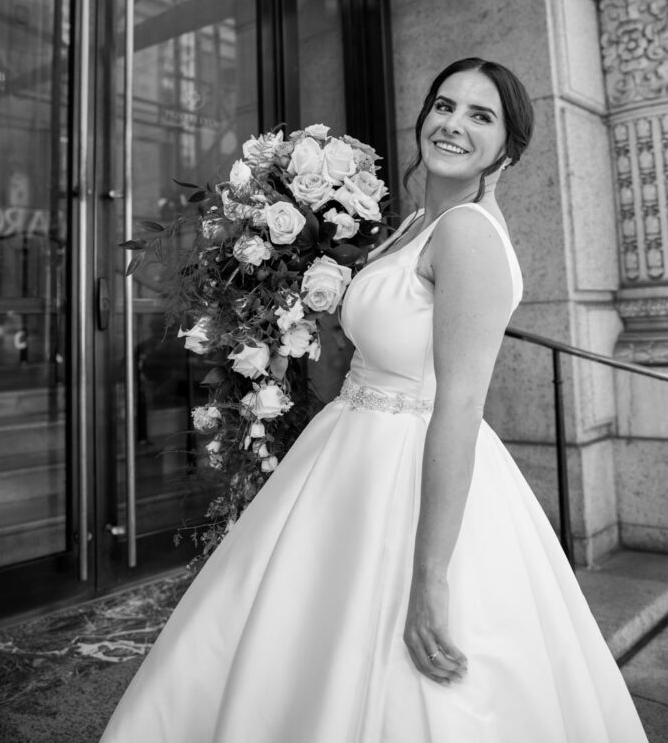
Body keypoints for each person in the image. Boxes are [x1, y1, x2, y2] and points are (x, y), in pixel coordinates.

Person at [100, 58, 648, 743]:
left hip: (406, 467)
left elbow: (458, 405)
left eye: (481, 116)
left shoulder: (468, 235)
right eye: (444, 105)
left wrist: (429, 580)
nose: (452, 124)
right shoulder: (418, 222)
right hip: (344, 458)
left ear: (507, 149)